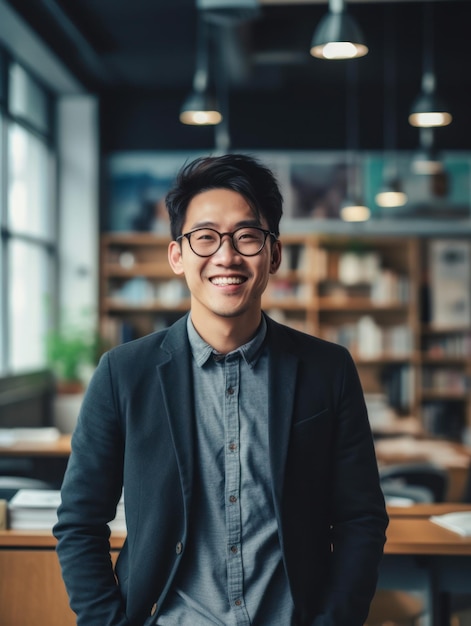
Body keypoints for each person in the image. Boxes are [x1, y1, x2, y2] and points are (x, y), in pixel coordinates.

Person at [54, 153, 388, 626]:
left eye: (247, 237)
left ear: (273, 254)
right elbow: (80, 522)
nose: (226, 256)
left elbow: (361, 519)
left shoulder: (327, 369)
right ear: (177, 256)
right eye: (205, 237)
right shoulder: (123, 373)